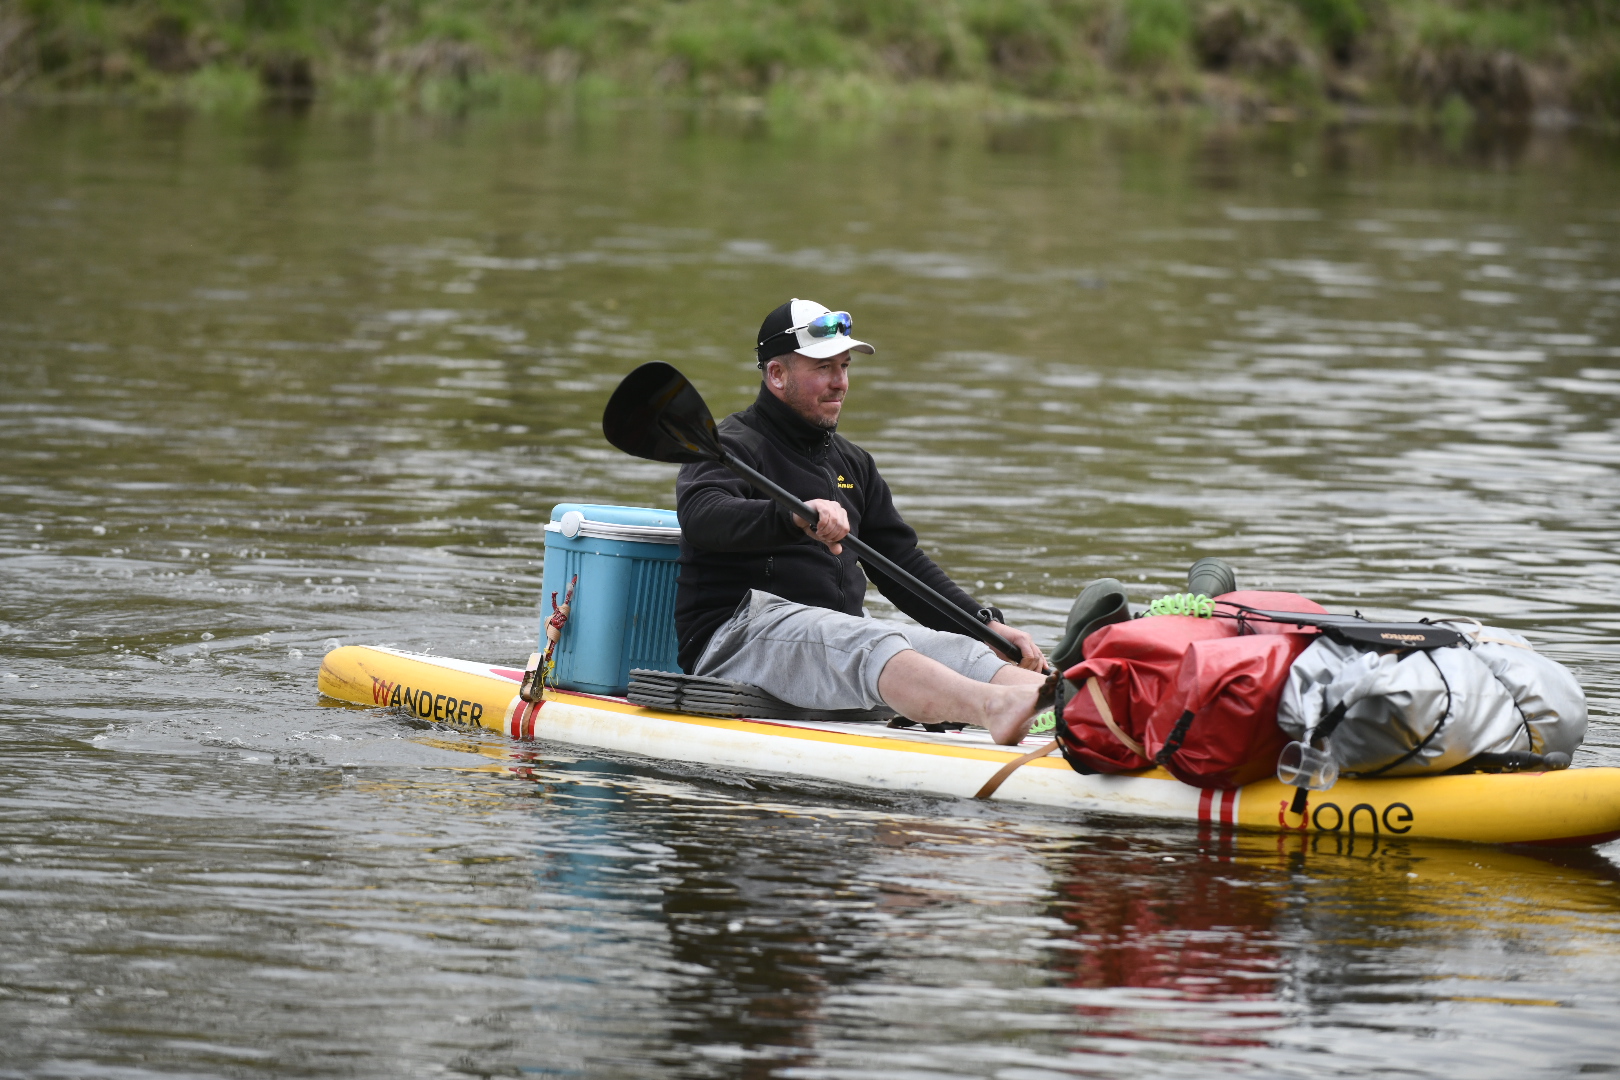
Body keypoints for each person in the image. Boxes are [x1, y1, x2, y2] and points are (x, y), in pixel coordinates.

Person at [674, 298, 1052, 744]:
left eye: (844, 366)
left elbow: (901, 564)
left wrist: (983, 625)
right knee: (877, 645)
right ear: (776, 374)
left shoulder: (853, 464)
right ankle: (996, 709)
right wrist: (792, 515)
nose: (840, 383)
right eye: (823, 368)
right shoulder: (731, 446)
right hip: (738, 639)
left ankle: (1081, 711)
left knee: (962, 651)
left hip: (837, 633)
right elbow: (702, 516)